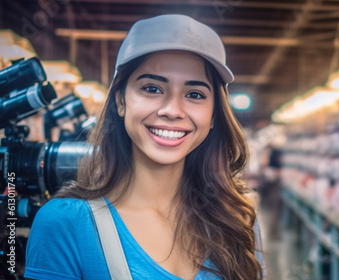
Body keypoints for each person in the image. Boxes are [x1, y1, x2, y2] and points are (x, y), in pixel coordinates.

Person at [24, 14, 266, 280]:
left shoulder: (235, 220)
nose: (172, 110)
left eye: (194, 94)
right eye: (152, 88)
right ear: (120, 101)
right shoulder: (65, 224)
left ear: (213, 116)